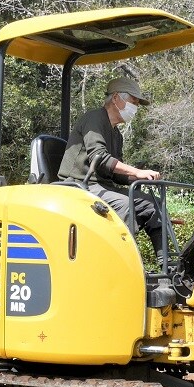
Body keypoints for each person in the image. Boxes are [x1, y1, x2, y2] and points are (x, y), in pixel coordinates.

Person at [57, 70, 166, 255]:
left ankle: (168, 268)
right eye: (134, 102)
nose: (135, 108)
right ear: (116, 98)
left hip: (100, 186)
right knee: (126, 205)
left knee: (153, 204)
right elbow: (100, 158)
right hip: (77, 186)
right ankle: (119, 261)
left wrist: (139, 177)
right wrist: (136, 172)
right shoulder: (95, 118)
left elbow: (114, 173)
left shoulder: (116, 134)